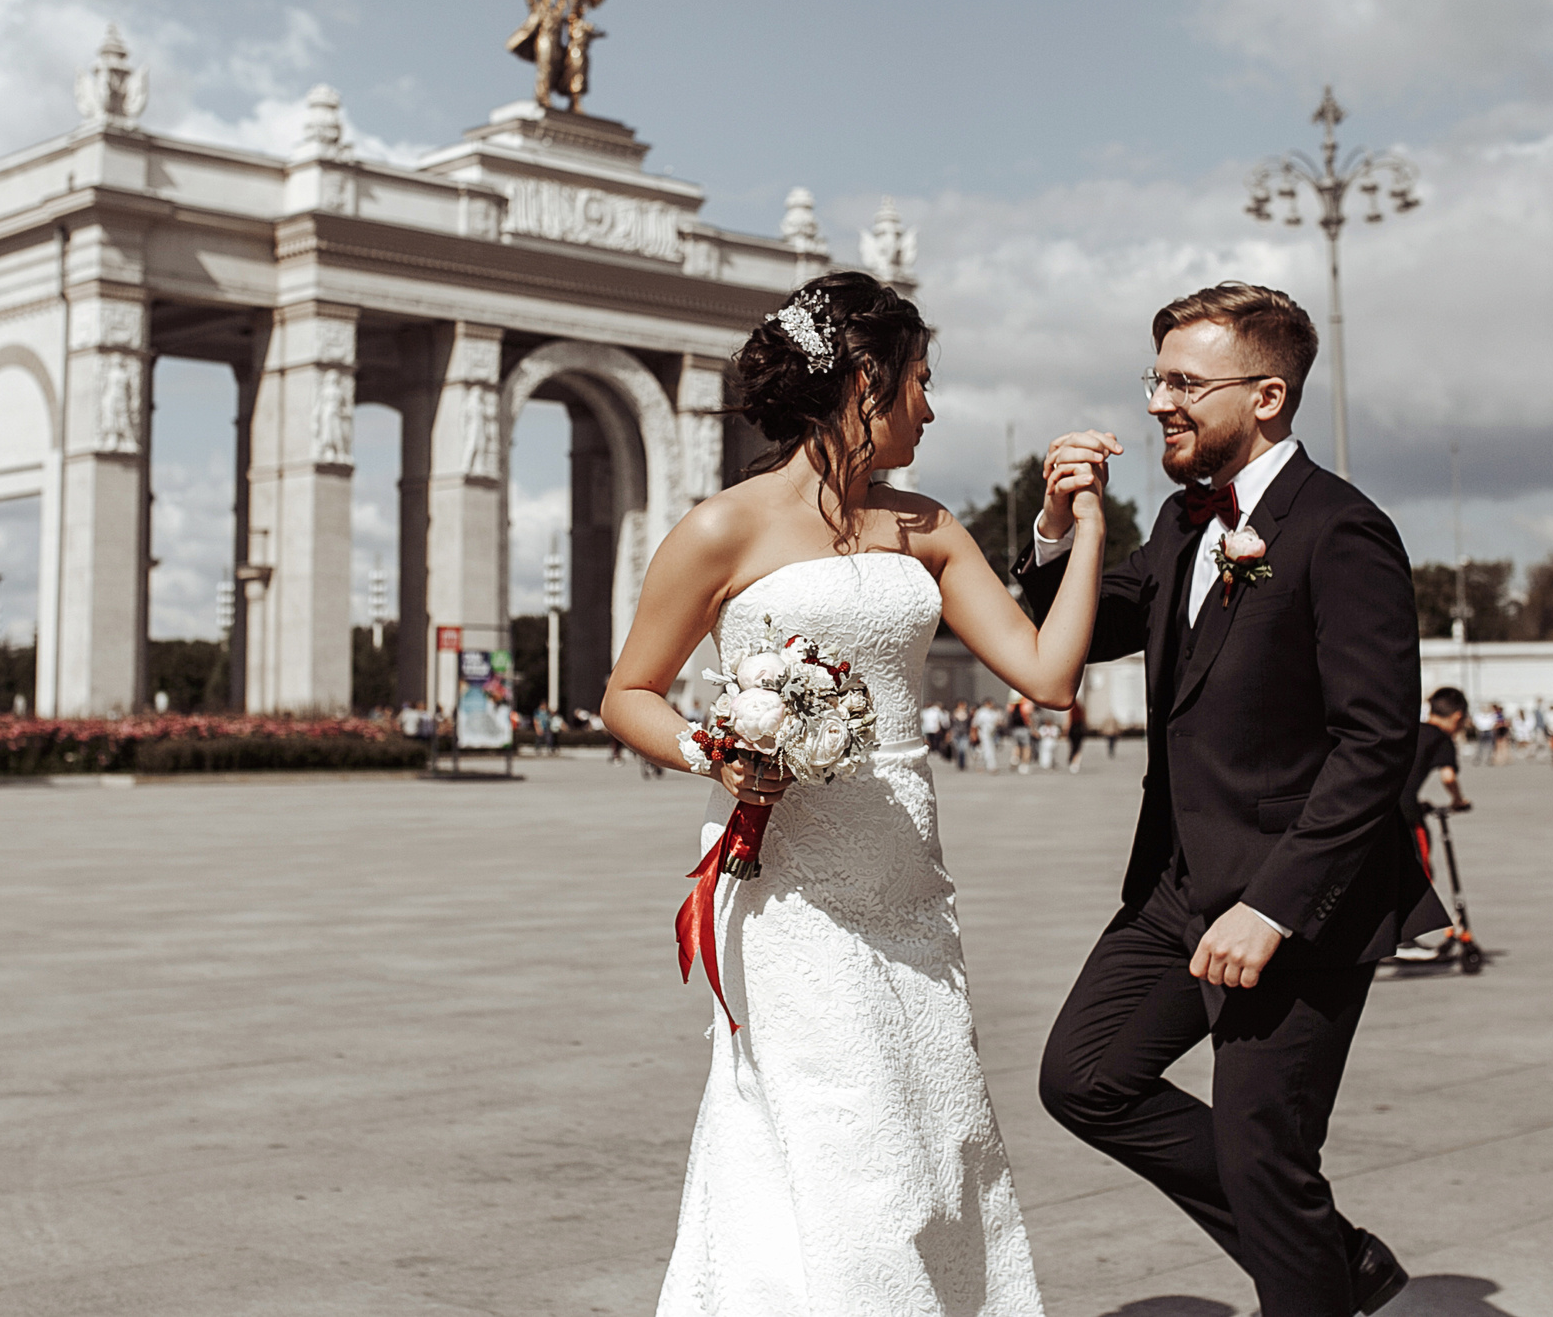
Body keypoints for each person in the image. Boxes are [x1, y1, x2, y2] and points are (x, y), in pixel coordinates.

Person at [602, 269, 1107, 1315]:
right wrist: (716, 752)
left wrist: (1080, 524)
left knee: (933, 1133)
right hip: (785, 886)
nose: (931, 405)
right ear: (864, 381)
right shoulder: (719, 531)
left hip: (908, 881)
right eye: (919, 379)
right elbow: (628, 692)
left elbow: (1050, 677)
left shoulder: (926, 526)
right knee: (848, 1142)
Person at [1023, 282, 1439, 1317]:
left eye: (1183, 383)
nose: (1158, 401)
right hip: (1175, 884)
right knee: (1085, 1079)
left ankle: (1308, 1273)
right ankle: (1333, 1260)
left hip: (1297, 898)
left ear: (1266, 396)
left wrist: (1274, 906)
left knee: (1265, 1157)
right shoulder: (1184, 520)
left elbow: (1376, 742)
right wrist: (1050, 527)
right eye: (1155, 377)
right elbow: (1080, 626)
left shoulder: (1340, 531)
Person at [1393, 688, 1471, 962]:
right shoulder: (1442, 739)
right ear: (1458, 717)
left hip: (1384, 805)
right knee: (1419, 870)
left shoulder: (1412, 729)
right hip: (1406, 813)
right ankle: (1402, 937)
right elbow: (1448, 776)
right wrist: (1459, 800)